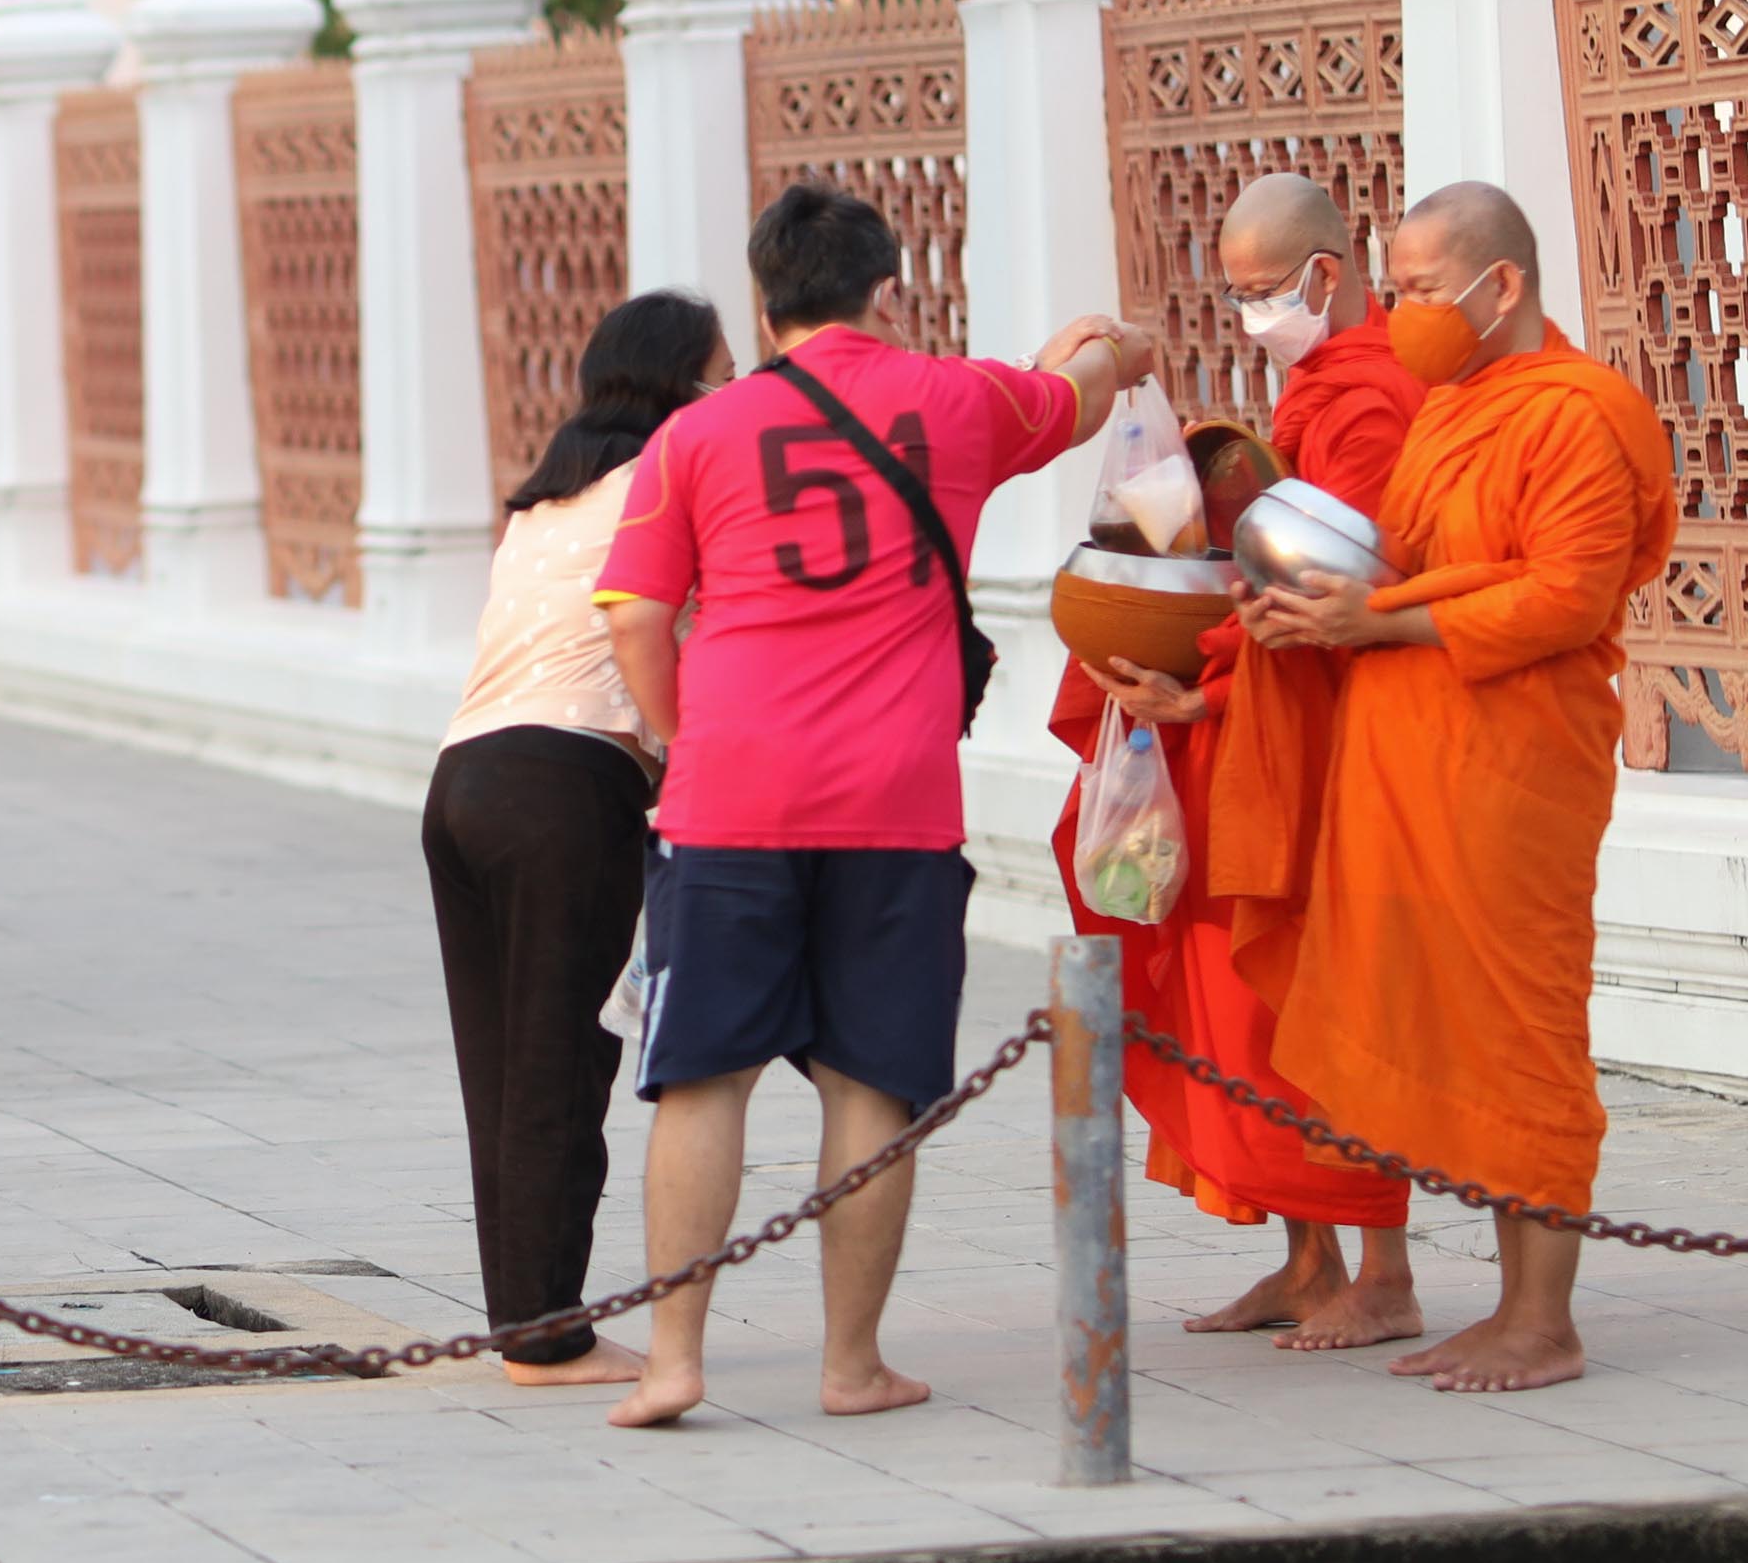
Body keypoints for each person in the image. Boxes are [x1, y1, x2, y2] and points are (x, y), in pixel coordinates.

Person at [596, 183, 1151, 1429]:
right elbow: (1085, 390)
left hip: (732, 791)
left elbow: (635, 616)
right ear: (886, 291)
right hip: (896, 799)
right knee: (869, 1085)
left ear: (765, 301)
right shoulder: (959, 400)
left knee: (702, 1081)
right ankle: (852, 1366)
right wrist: (1110, 348)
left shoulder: (696, 436)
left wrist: (687, 745)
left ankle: (674, 1361)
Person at [1243, 181, 1671, 1394]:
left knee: (1521, 1023)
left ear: (1504, 286)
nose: (1411, 309)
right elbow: (1412, 561)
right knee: (1454, 1026)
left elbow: (1565, 598)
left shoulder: (1582, 413)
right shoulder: (1449, 403)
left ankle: (1544, 1321)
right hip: (1415, 748)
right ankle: (1496, 1301)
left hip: (1515, 758)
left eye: (1427, 288)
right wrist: (1309, 600)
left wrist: (1375, 619)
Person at [1052, 175, 1423, 1349]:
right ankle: (1305, 1255)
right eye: (1242, 291)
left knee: (1319, 987)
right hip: (1260, 716)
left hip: (1331, 731)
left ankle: (1385, 1269)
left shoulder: (1374, 394)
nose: (1258, 310)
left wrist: (1201, 685)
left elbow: (1326, 576)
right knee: (1240, 988)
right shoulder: (1316, 384)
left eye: (1269, 291)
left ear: (1330, 271)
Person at [426, 291, 728, 1391]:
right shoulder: (668, 482)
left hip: (463, 778)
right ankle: (550, 1336)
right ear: (673, 385)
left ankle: (529, 1321)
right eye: (721, 371)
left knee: (501, 1071)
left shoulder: (544, 497)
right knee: (560, 1067)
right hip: (566, 782)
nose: (732, 391)